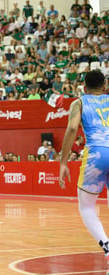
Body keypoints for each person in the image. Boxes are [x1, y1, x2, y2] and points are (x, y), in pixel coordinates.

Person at [59, 70, 109, 261]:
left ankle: (106, 244)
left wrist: (63, 162)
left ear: (84, 87)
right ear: (104, 86)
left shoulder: (79, 102)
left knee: (87, 207)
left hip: (96, 154)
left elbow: (72, 128)